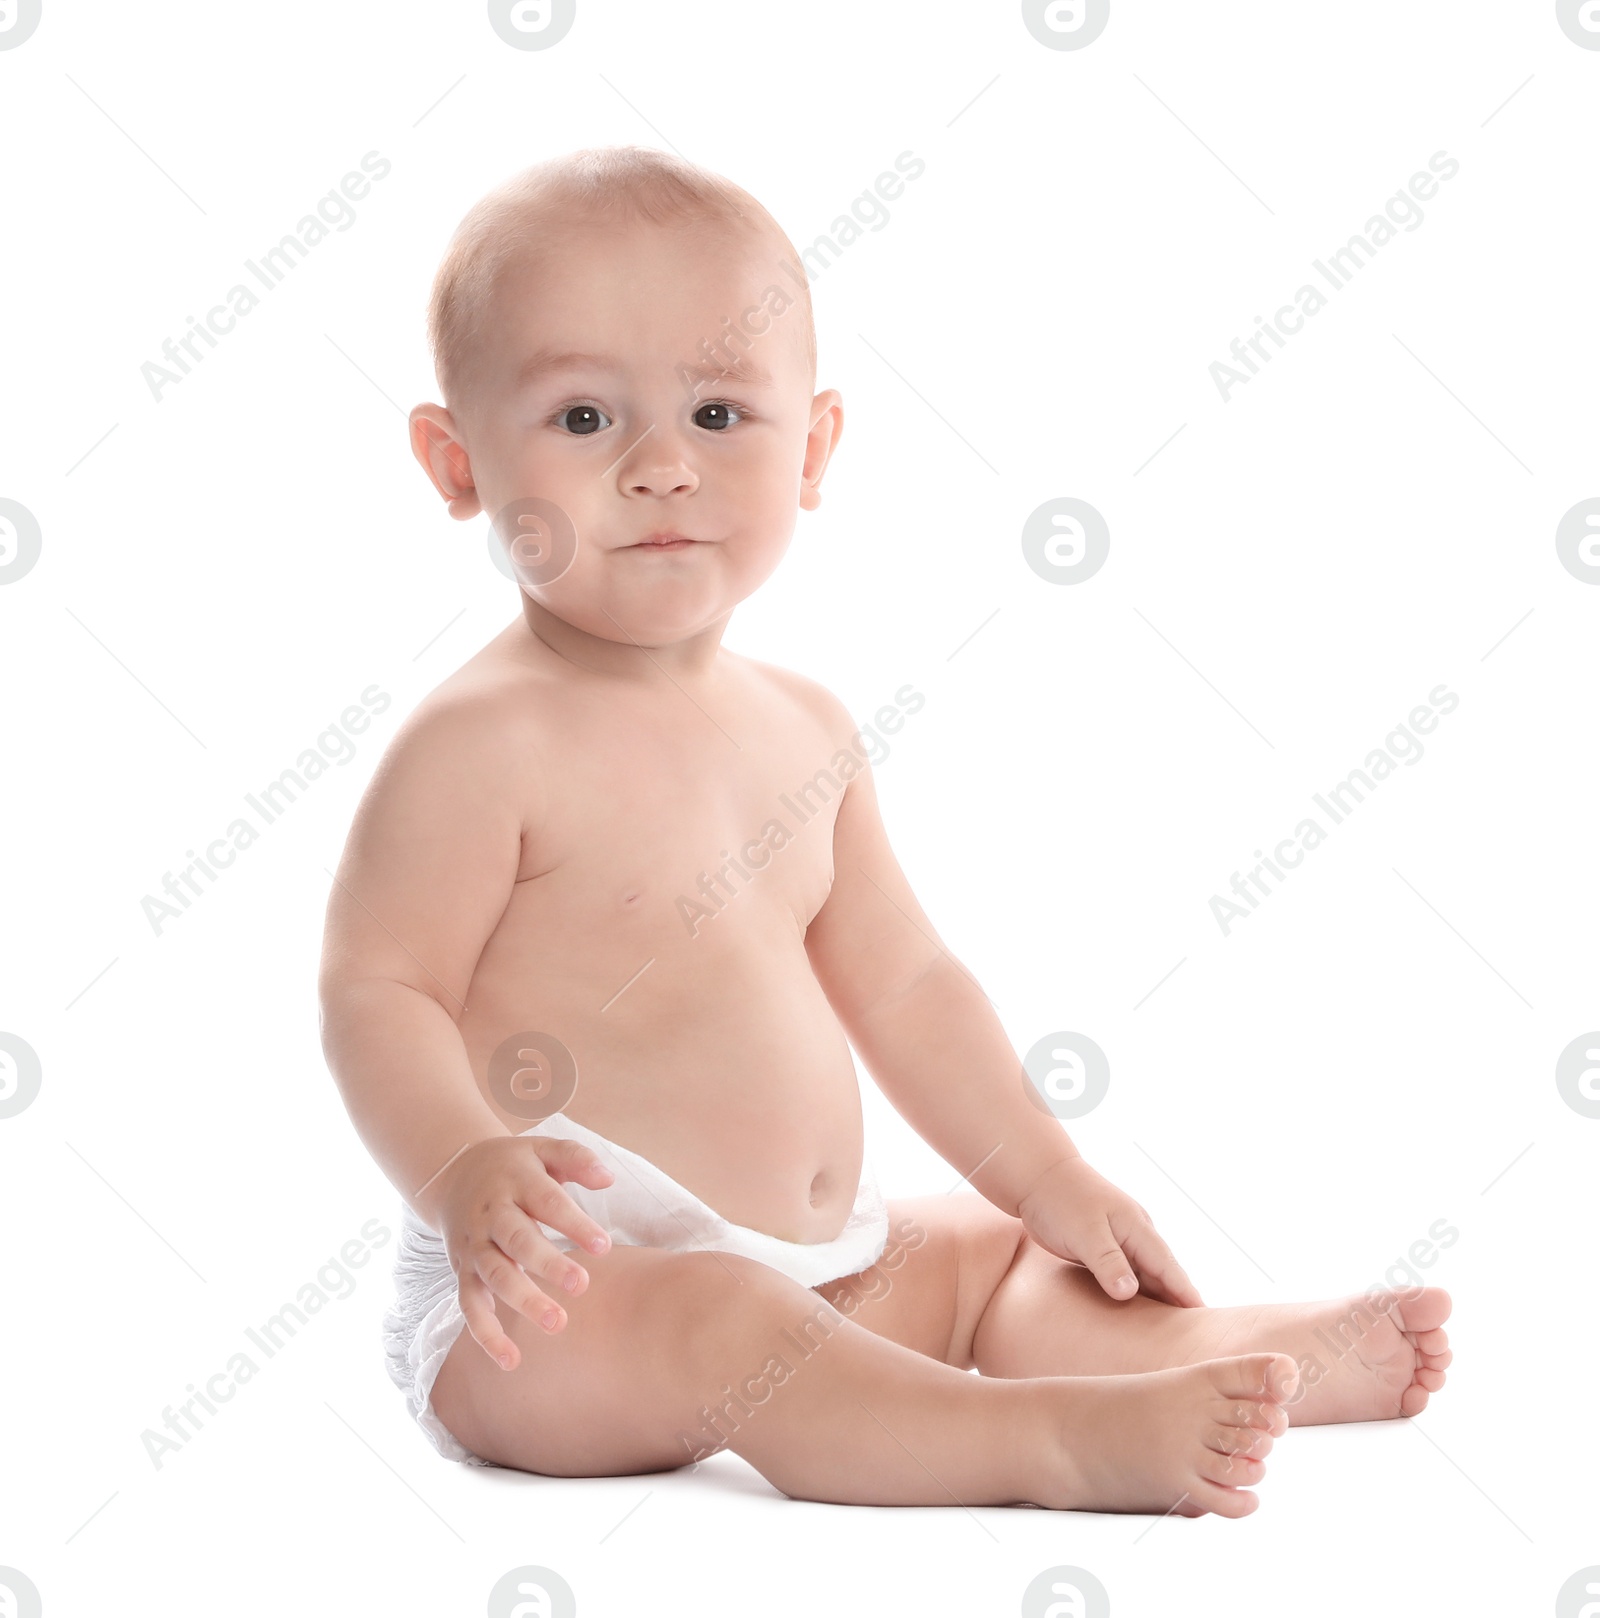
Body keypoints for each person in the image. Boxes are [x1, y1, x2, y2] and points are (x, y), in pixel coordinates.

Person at [318, 145, 1451, 1516]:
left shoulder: (805, 727)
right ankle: (1046, 1445)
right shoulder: (480, 743)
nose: (664, 466)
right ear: (456, 461)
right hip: (555, 1293)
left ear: (817, 447)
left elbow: (906, 984)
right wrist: (464, 1171)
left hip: (824, 1260)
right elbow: (380, 988)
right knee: (733, 1324)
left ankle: (1212, 1351)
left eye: (722, 411)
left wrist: (1046, 1174)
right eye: (582, 420)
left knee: (989, 1252)